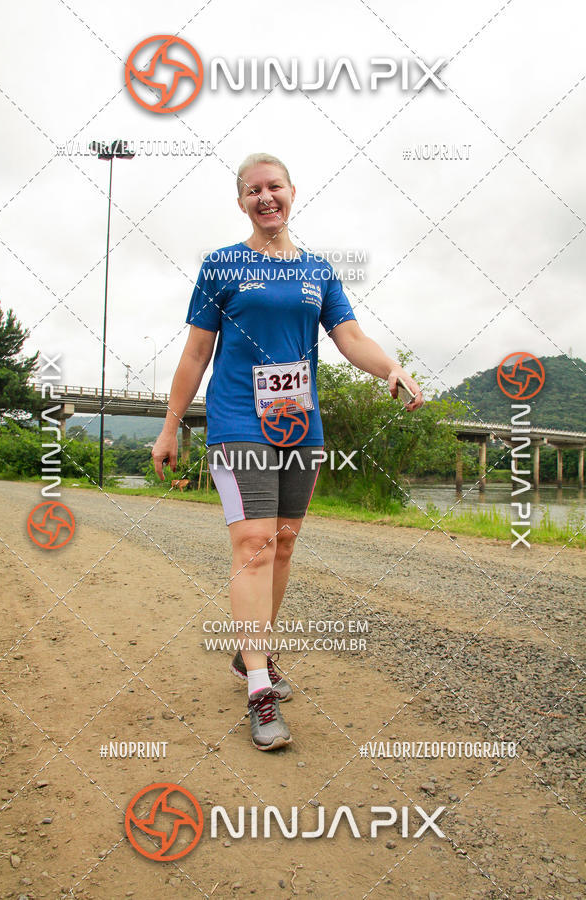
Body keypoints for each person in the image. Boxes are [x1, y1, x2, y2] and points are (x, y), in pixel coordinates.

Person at [152, 152, 423, 751]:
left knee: (282, 544)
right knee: (252, 544)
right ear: (241, 201)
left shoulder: (319, 272)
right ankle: (258, 689)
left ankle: (254, 651)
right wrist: (171, 427)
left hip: (299, 425)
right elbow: (196, 354)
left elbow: (350, 337)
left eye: (275, 187)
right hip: (236, 419)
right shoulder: (223, 266)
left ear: (293, 192)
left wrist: (392, 369)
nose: (265, 197)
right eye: (254, 190)